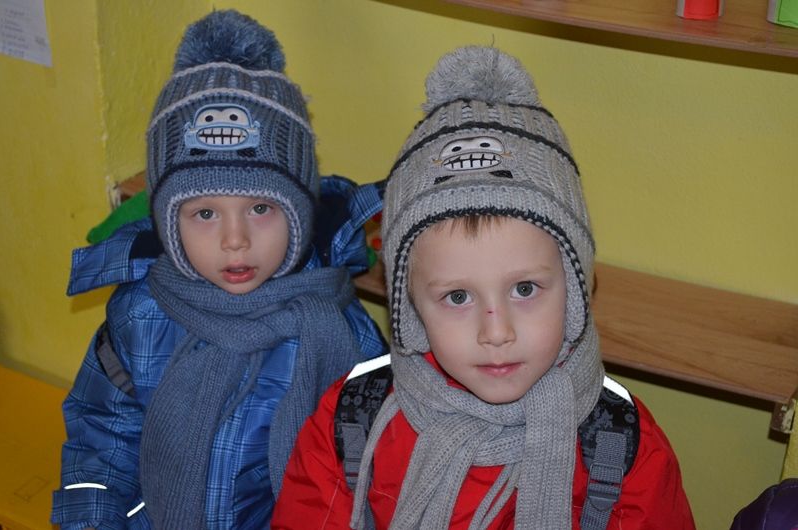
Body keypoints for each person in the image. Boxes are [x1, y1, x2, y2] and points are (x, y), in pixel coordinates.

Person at [271, 46, 695, 529]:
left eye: (525, 289)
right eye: (458, 297)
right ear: (411, 310)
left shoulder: (622, 449)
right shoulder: (353, 422)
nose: (496, 332)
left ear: (575, 292)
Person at [51, 10, 384, 530]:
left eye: (261, 208)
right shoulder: (139, 316)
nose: (235, 239)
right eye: (205, 213)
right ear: (168, 221)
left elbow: (370, 472)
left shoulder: (339, 330)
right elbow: (102, 438)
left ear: (300, 213)